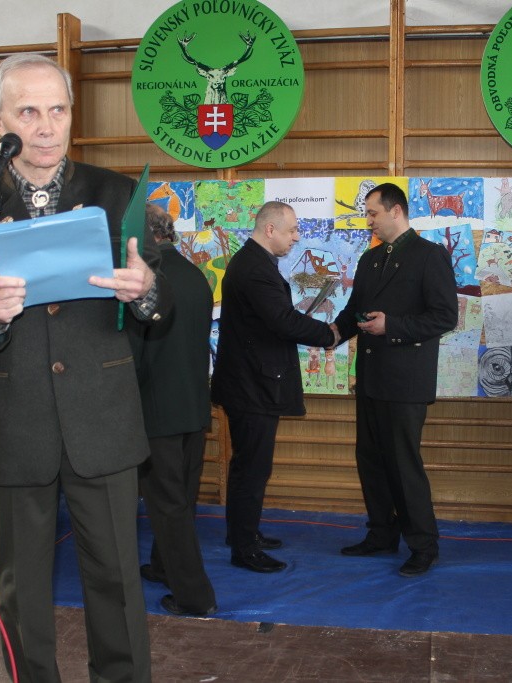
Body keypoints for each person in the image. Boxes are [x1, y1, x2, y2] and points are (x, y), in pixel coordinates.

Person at [0, 54, 167, 682]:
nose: (45, 125)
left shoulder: (117, 192)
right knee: (21, 587)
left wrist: (144, 290)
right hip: (14, 418)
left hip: (103, 416)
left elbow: (157, 298)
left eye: (57, 109)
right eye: (28, 111)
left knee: (117, 578)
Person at [332, 183, 458, 577]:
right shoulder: (370, 259)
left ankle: (423, 545)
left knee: (404, 465)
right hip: (371, 378)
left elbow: (445, 316)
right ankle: (381, 533)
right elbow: (354, 312)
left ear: (396, 211)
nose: (368, 220)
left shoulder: (430, 256)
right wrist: (330, 334)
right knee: (370, 460)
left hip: (405, 381)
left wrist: (393, 326)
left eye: (372, 213)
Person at [210, 201, 337, 573]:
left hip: (250, 382)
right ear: (270, 229)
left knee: (249, 466)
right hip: (251, 386)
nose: (296, 237)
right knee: (252, 469)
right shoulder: (254, 268)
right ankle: (245, 548)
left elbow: (273, 321)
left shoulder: (255, 262)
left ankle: (242, 534)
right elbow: (283, 321)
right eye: (292, 230)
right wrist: (330, 334)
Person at [133, 204, 217, 616]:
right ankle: (162, 566)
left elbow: (136, 353)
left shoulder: (145, 281)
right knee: (181, 499)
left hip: (156, 411)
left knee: (168, 507)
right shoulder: (196, 275)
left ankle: (194, 597)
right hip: (193, 406)